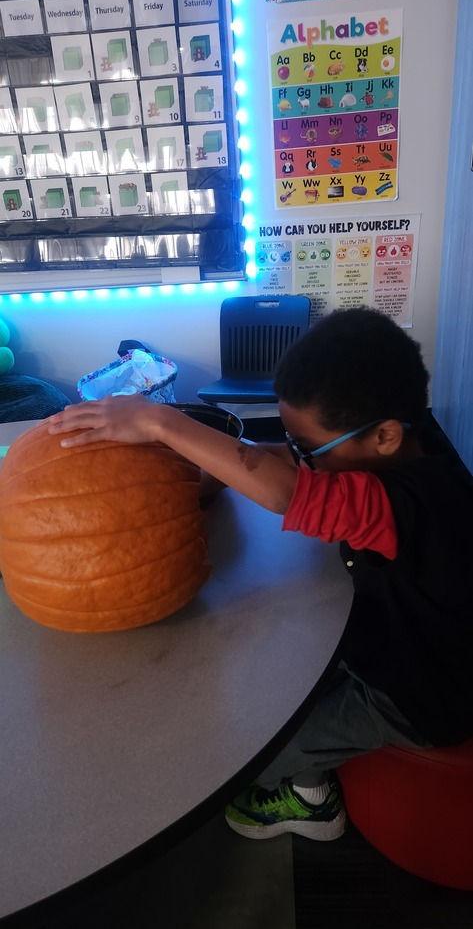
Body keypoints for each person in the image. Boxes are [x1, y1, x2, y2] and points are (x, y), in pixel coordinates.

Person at [48, 308, 473, 843]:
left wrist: (160, 422)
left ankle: (309, 801)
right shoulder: (402, 453)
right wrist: (190, 482)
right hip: (391, 638)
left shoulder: (410, 503)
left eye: (308, 448)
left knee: (254, 755)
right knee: (278, 685)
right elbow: (282, 468)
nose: (298, 458)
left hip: (418, 696)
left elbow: (283, 490)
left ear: (385, 436)